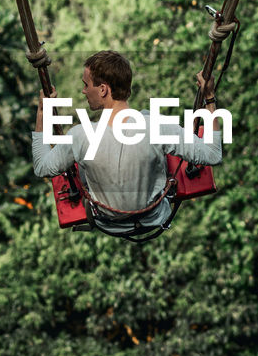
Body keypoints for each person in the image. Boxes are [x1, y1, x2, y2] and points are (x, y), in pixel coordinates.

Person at [31, 50, 223, 237]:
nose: (83, 91)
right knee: (160, 142)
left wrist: (42, 113)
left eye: (86, 84)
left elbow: (41, 167)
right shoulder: (157, 125)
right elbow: (213, 155)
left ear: (103, 89)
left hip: (109, 222)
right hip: (153, 217)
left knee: (78, 162)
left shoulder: (80, 135)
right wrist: (209, 99)